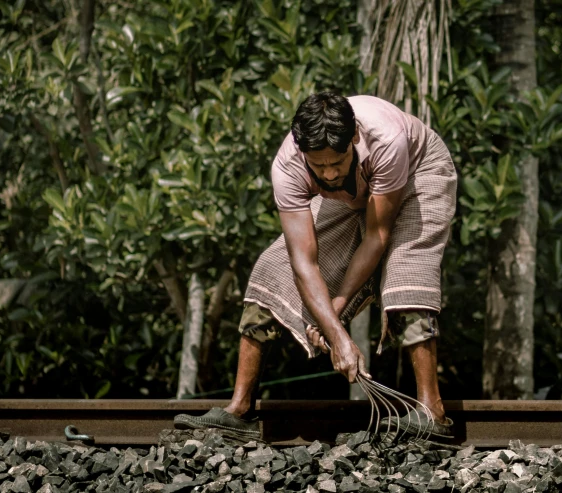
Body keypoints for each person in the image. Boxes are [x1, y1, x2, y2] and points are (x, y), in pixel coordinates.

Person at [174, 92, 457, 441]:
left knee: (406, 273)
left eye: (336, 162)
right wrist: (336, 332)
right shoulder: (288, 166)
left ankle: (433, 411)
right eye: (318, 165)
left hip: (417, 172)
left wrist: (336, 311)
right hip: (355, 193)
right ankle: (240, 410)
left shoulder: (387, 140)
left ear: (354, 136)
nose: (328, 172)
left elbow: (376, 236)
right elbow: (302, 263)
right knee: (271, 269)